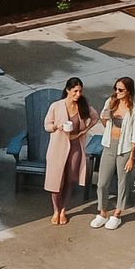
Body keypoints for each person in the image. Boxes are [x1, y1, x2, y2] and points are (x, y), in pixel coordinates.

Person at [91, 76, 135, 230]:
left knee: (123, 182)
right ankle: (102, 212)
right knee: (102, 183)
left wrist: (132, 157)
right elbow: (105, 121)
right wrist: (105, 118)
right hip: (109, 145)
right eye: (116, 88)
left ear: (128, 91)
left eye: (121, 90)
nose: (117, 92)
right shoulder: (110, 102)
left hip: (124, 148)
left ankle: (117, 214)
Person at [43, 77, 95, 225]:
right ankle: (56, 210)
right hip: (58, 147)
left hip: (75, 146)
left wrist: (83, 131)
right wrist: (56, 127)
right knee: (56, 179)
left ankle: (64, 209)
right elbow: (47, 124)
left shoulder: (83, 106)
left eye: (80, 91)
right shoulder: (56, 106)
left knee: (71, 178)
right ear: (68, 90)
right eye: (75, 91)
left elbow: (95, 117)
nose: (78, 94)